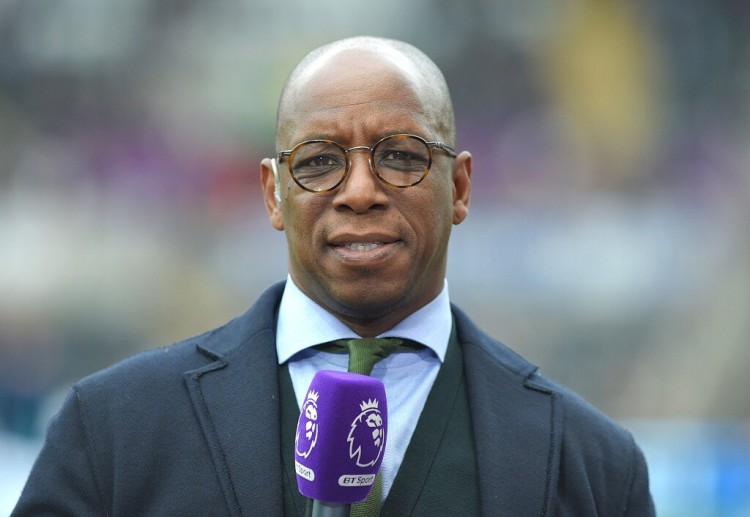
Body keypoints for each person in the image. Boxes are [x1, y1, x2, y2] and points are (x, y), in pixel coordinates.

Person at [13, 36, 655, 516]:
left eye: (400, 156)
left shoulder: (594, 466)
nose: (360, 191)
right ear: (273, 194)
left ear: (459, 187)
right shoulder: (112, 430)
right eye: (319, 162)